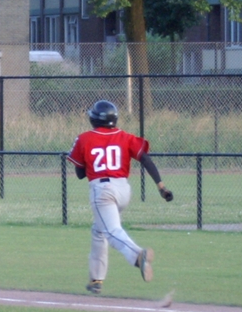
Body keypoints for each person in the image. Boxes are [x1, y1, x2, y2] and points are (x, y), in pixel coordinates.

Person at [67, 100, 174, 295]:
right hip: (123, 190)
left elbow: (80, 174)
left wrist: (86, 160)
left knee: (111, 231)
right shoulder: (125, 137)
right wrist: (161, 186)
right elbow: (145, 159)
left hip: (103, 191)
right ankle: (96, 279)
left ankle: (137, 255)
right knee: (99, 230)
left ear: (94, 119)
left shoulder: (84, 139)